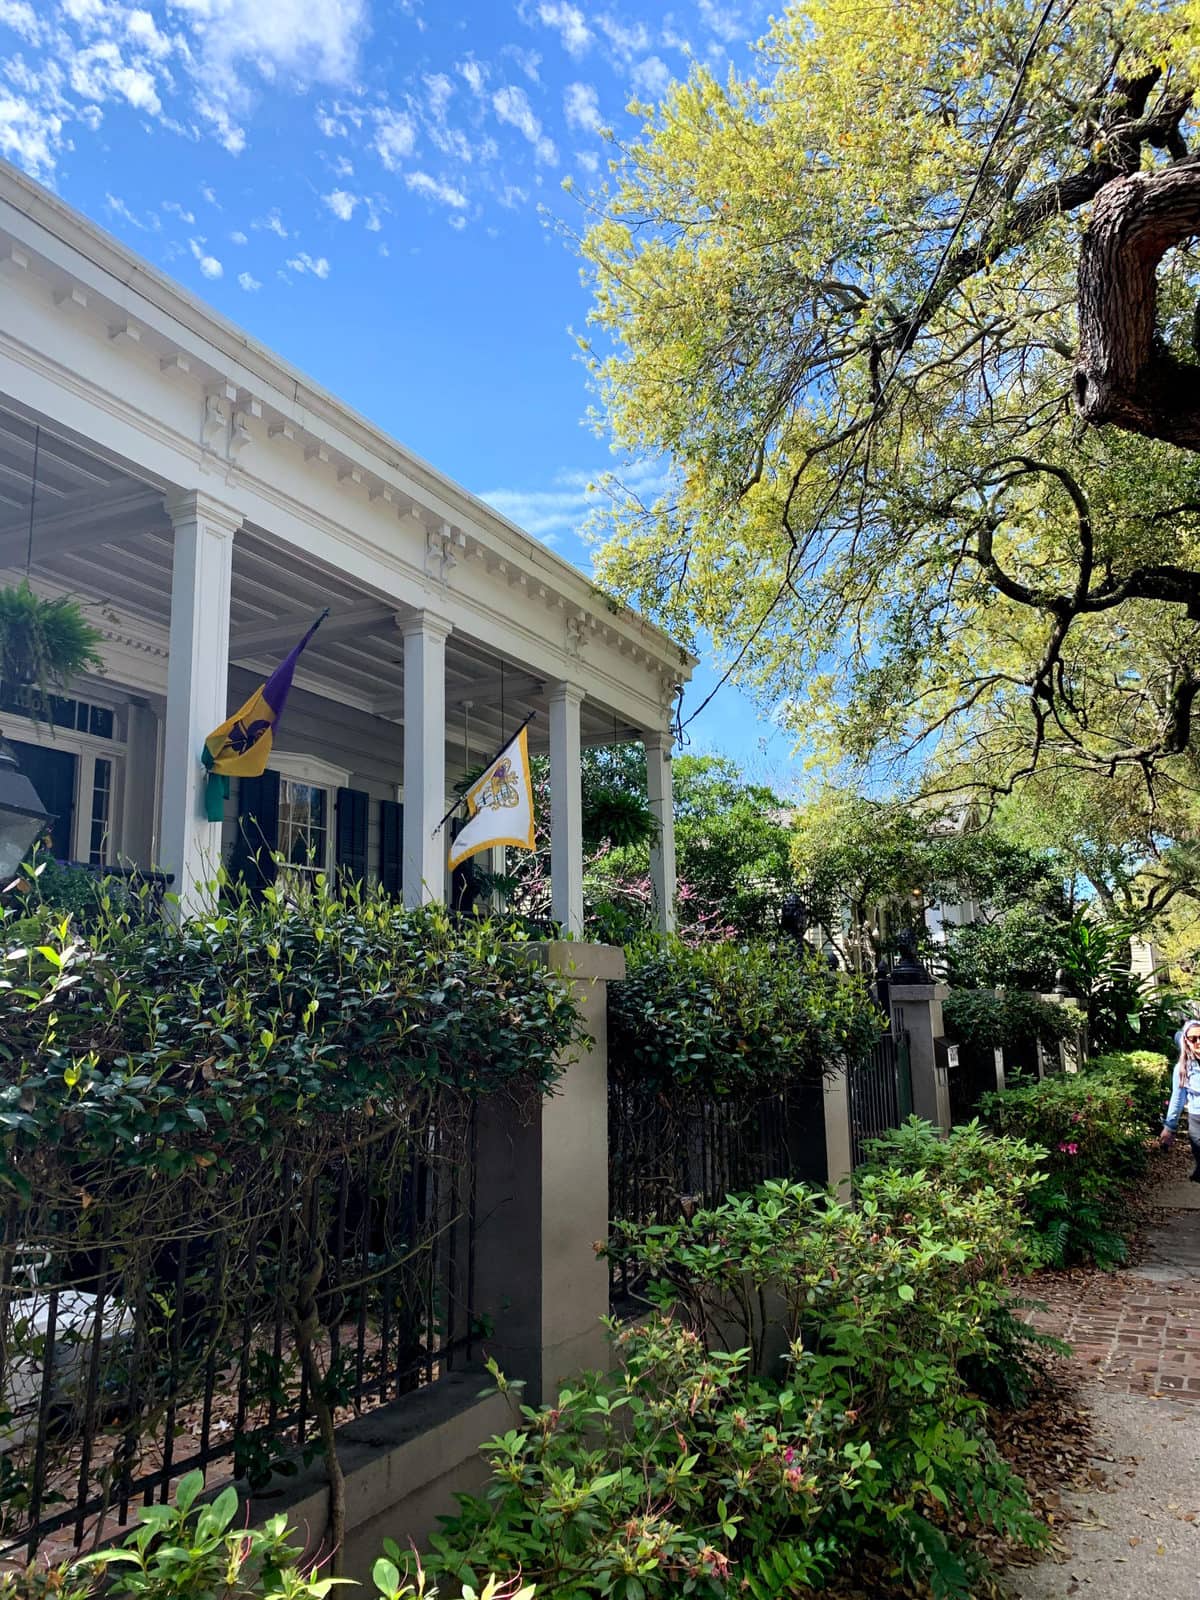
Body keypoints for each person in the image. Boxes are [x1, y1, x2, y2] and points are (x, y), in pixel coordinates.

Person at [1159, 1020, 1200, 1180]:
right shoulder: (1182, 1068)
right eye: (1193, 1039)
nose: (1198, 1042)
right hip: (1197, 1121)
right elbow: (1177, 1098)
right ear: (1186, 1041)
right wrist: (1170, 1127)